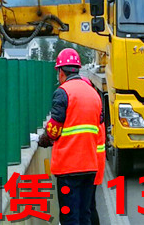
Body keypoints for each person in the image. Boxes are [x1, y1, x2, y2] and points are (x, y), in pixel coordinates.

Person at [38, 48, 102, 225]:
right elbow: (99, 121)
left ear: (61, 72)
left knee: (69, 217)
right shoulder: (93, 92)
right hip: (90, 165)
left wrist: (44, 138)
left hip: (68, 168)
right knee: (84, 215)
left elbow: (54, 129)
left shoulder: (63, 92)